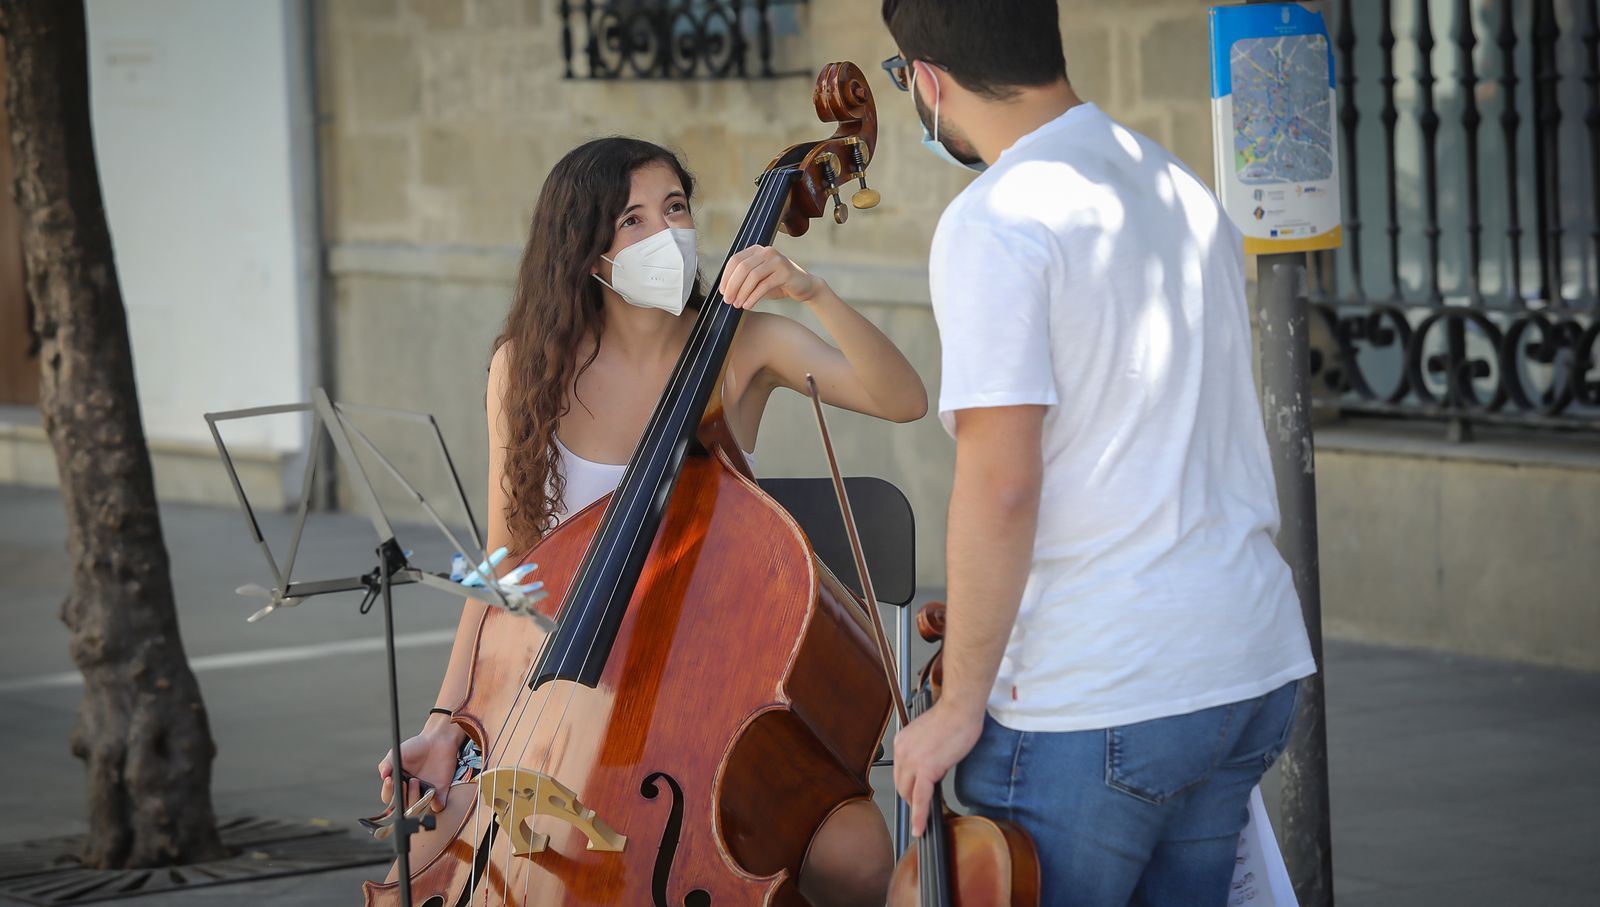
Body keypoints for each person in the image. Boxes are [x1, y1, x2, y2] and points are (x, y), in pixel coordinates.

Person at [376, 136, 926, 907]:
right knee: (423, 869)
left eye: (674, 208)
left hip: (703, 686)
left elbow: (903, 398)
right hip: (563, 696)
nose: (664, 234)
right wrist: (447, 723)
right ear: (586, 247)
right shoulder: (527, 368)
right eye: (631, 220)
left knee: (863, 861)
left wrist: (813, 294)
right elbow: (503, 560)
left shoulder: (742, 346)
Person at [879, 1, 1318, 903]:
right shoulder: (1178, 187)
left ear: (926, 81)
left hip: (1099, 693)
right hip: (1242, 662)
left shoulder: (995, 219)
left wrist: (959, 705)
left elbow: (1000, 483)